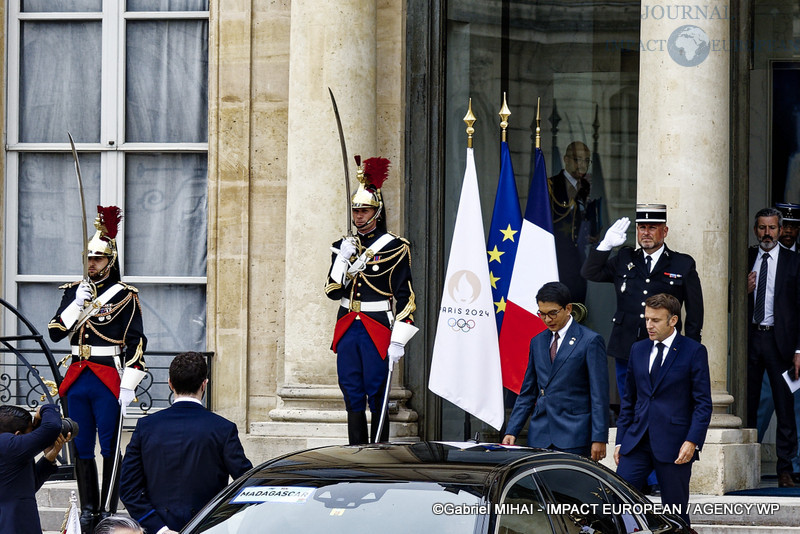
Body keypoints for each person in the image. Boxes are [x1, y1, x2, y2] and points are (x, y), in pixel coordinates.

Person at [48, 206, 147, 533]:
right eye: (88, 258)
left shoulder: (125, 296)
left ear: (111, 261)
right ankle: (89, 509)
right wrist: (78, 303)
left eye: (99, 259)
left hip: (107, 376)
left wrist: (129, 383)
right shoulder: (73, 292)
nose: (92, 264)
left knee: (108, 446)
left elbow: (135, 342)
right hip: (77, 376)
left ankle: (108, 508)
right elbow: (55, 332)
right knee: (81, 444)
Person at [325, 156, 417, 445]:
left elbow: (406, 296)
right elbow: (332, 291)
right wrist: (342, 260)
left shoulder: (395, 247)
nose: (358, 216)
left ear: (376, 212)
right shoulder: (342, 246)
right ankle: (356, 452)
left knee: (377, 390)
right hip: (348, 325)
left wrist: (399, 338)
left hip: (377, 325)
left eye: (364, 210)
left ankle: (378, 453)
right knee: (351, 390)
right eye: (355, 211)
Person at [580, 204, 704, 402]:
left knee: (660, 400)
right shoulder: (624, 258)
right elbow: (590, 272)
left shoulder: (682, 264)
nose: (646, 233)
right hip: (626, 344)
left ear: (664, 231)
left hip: (663, 344)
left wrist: (690, 346)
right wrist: (605, 245)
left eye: (652, 227)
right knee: (628, 401)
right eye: (641, 227)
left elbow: (694, 310)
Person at [119, 351, 253, 534]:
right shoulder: (223, 428)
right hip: (209, 529)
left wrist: (160, 529)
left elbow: (128, 489)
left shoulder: (147, 426)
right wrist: (219, 517)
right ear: (204, 384)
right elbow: (248, 484)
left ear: (170, 383)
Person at [614, 294, 712, 526]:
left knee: (675, 511)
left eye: (656, 320)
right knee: (617, 501)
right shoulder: (638, 349)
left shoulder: (693, 351)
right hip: (637, 441)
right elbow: (629, 401)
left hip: (675, 444)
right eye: (647, 319)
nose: (649, 325)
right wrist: (620, 440)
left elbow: (703, 403)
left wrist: (692, 441)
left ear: (673, 320)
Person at [502, 282, 609, 461]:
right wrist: (512, 430)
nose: (547, 319)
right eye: (542, 314)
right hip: (540, 434)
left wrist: (599, 437)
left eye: (553, 313)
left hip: (574, 433)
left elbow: (599, 394)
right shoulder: (537, 341)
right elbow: (528, 392)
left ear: (568, 309)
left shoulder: (590, 341)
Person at [746, 207, 800, 488]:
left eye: (772, 228)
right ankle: (747, 463)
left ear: (780, 230)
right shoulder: (745, 258)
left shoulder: (794, 262)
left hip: (782, 344)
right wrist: (741, 289)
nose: (767, 233)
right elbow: (725, 296)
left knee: (785, 406)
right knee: (749, 405)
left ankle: (785, 469)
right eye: (762, 228)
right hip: (752, 340)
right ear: (756, 230)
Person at [0, 404, 71, 534]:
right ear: (18, 434)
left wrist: (48, 460)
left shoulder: (8, 448)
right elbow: (52, 427)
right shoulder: (7, 444)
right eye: (30, 431)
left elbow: (25, 488)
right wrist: (45, 409)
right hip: (13, 525)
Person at [548, 141, 598, 304]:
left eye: (586, 161)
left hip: (581, 260)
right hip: (557, 257)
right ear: (566, 160)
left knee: (578, 306)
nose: (582, 165)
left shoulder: (588, 187)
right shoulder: (551, 185)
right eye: (578, 160)